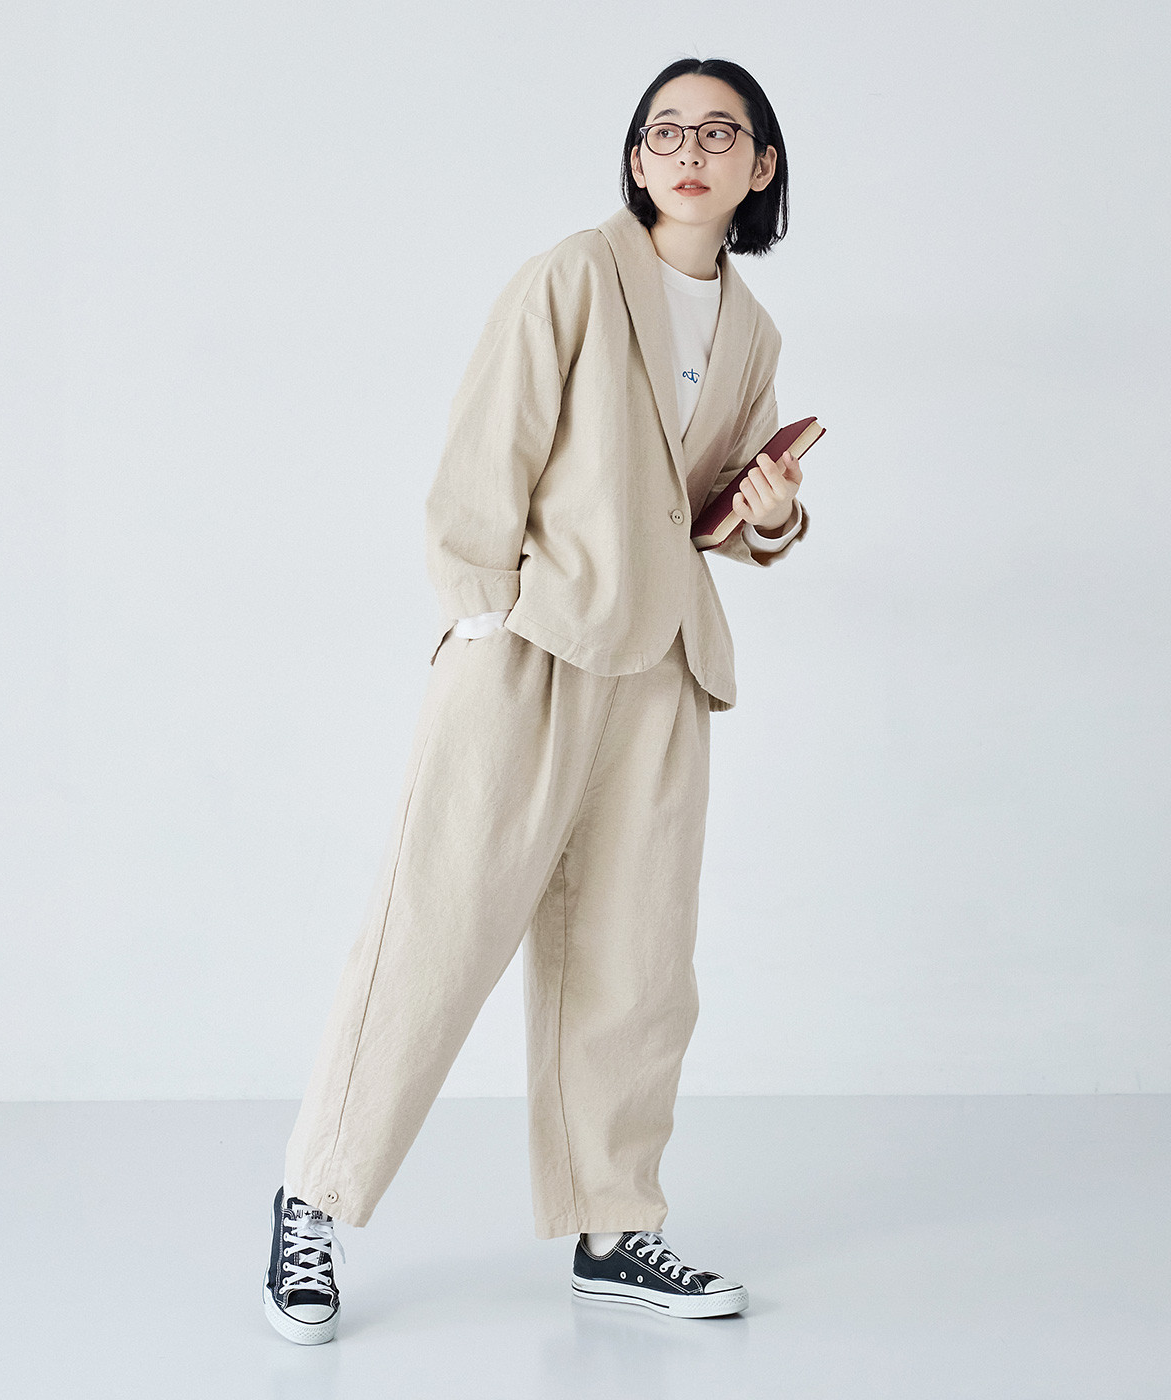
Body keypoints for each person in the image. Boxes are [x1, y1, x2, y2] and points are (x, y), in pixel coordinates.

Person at [263, 54, 810, 1344]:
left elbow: (713, 514)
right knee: (436, 934)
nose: (690, 152)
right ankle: (312, 1202)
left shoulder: (752, 331)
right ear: (636, 158)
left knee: (637, 963)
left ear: (761, 165)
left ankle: (613, 1229)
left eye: (719, 133)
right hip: (532, 649)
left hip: (663, 670)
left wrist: (770, 513)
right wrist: (481, 618)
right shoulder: (573, 274)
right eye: (665, 131)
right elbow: (486, 450)